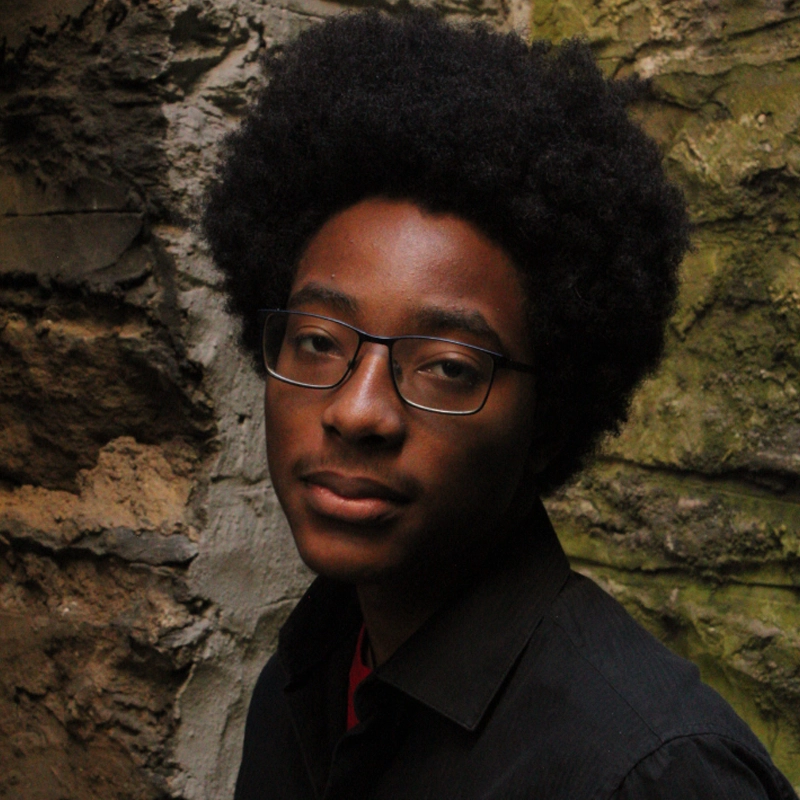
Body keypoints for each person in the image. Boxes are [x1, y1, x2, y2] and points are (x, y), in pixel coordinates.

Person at [203, 11, 798, 799]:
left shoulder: (652, 774)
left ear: (547, 423)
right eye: (317, 341)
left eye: (446, 366)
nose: (358, 410)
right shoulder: (307, 675)